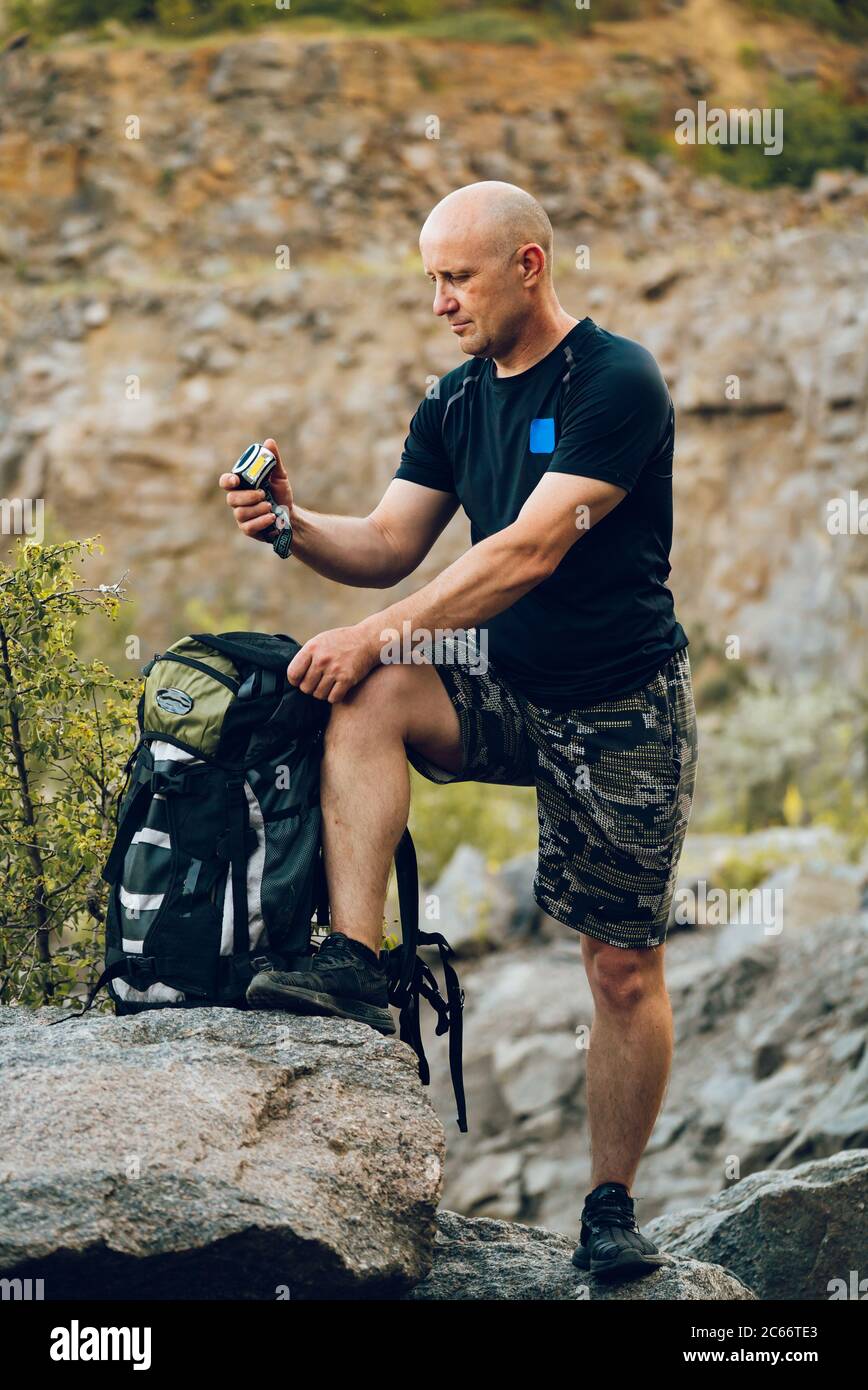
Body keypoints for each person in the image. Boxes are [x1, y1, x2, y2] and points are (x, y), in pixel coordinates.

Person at [218, 180, 698, 1282]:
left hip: (621, 698)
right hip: (503, 680)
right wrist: (292, 524)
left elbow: (529, 549)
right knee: (369, 691)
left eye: (456, 276)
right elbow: (390, 540)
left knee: (619, 967)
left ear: (528, 264)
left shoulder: (614, 381)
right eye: (429, 277)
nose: (438, 300)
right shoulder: (453, 400)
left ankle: (609, 1207)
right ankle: (351, 963)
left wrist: (376, 628)